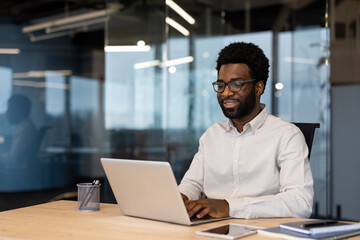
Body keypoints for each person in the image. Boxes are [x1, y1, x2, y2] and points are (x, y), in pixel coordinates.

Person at [178, 42, 314, 219]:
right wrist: (181, 197)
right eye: (221, 85)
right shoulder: (212, 135)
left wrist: (229, 207)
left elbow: (300, 202)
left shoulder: (287, 135)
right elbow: (193, 183)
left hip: (261, 232)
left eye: (236, 84)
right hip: (210, 227)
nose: (226, 93)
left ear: (258, 87)